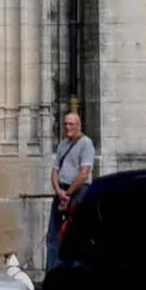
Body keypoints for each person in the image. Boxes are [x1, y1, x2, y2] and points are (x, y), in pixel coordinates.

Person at [48, 105, 96, 269]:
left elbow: (84, 173)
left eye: (71, 124)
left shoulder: (86, 144)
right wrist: (59, 191)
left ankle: (75, 270)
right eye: (66, 124)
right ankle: (52, 272)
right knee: (53, 236)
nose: (68, 127)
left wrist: (68, 194)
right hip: (62, 191)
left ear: (79, 125)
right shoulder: (62, 144)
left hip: (77, 192)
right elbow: (54, 171)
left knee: (76, 233)